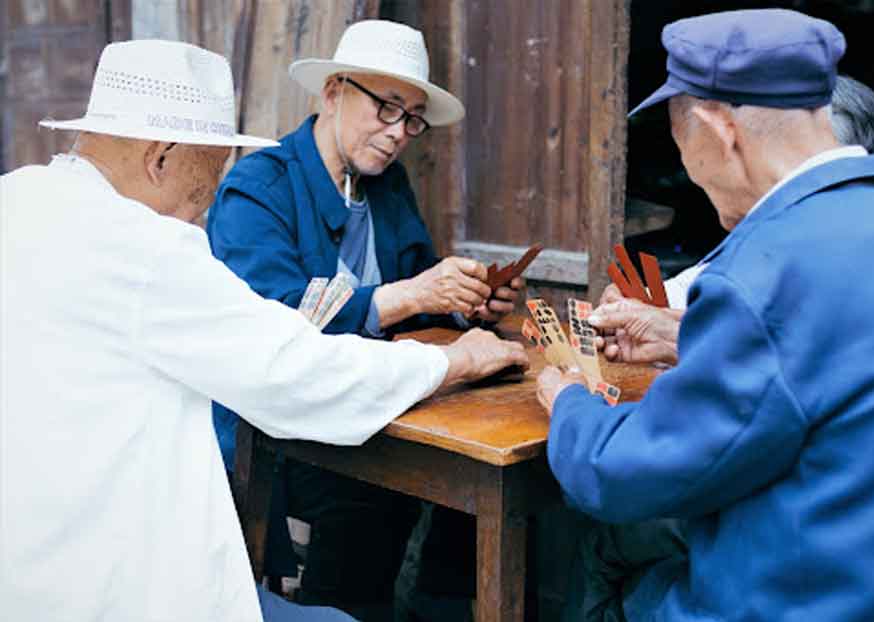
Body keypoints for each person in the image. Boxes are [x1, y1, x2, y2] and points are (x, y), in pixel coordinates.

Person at [0, 39, 527, 622]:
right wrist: (456, 362)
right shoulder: (154, 245)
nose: (204, 204)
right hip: (105, 580)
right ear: (161, 157)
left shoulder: (16, 200)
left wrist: (459, 307)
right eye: (209, 173)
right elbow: (292, 368)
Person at [537, 9, 874, 622]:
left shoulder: (762, 271)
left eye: (679, 145)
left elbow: (623, 474)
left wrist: (566, 399)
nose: (689, 173)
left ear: (717, 130)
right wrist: (685, 338)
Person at [206, 20, 518, 618]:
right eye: (386, 109)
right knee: (365, 506)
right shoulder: (258, 186)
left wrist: (465, 299)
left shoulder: (385, 184)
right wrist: (409, 295)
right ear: (332, 93)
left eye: (413, 119)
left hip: (382, 406)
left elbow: (419, 277)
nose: (399, 133)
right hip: (288, 427)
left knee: (473, 495)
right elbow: (278, 319)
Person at [594, 74, 874, 367]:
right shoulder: (784, 235)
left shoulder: (837, 244)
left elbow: (793, 371)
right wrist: (653, 308)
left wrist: (573, 405)